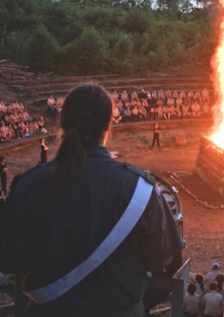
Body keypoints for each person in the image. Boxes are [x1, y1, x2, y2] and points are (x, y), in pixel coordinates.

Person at [0, 84, 183, 317]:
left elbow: (9, 261)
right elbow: (164, 260)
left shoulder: (25, 186)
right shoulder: (140, 189)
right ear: (109, 125)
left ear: (61, 124)